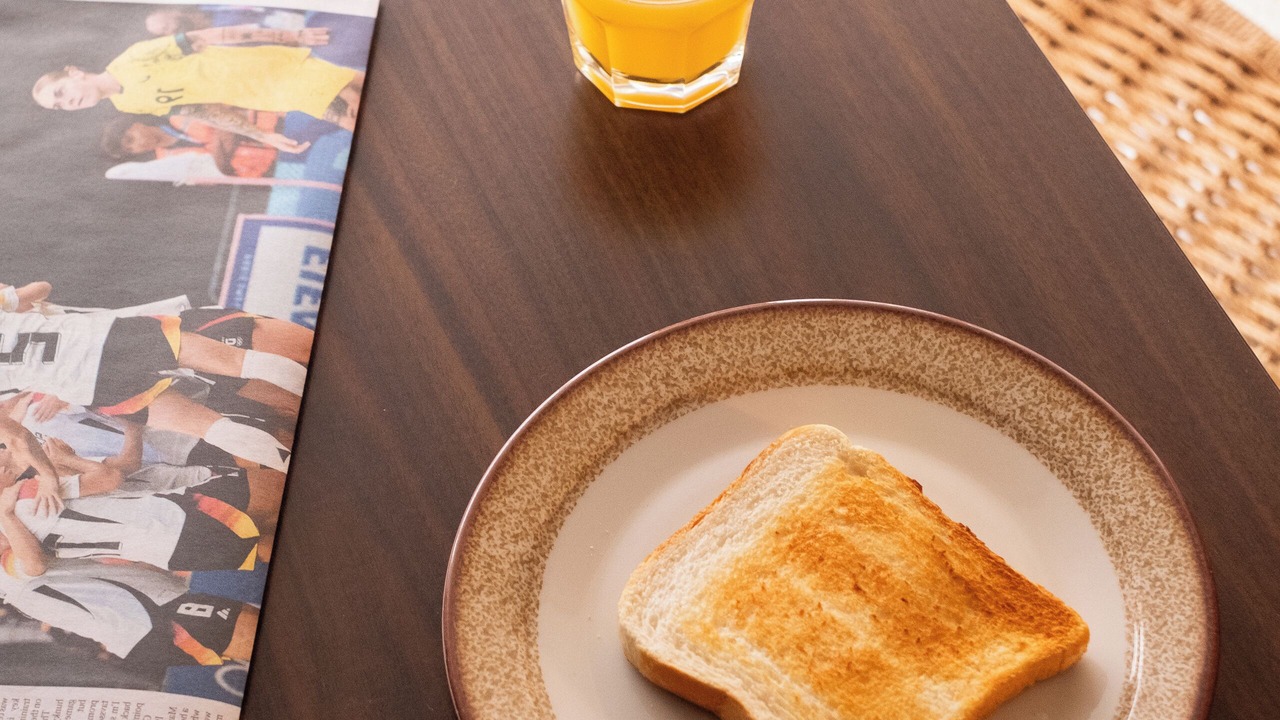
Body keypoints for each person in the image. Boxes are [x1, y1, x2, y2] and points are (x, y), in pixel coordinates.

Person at [0, 309, 301, 471]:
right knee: (241, 362)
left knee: (210, 428)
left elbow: (14, 432)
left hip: (89, 387)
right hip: (106, 337)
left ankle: (291, 468)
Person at [0, 511, 258, 667]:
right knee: (248, 631)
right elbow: (32, 564)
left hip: (151, 608)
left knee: (246, 621)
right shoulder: (8, 570)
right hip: (150, 619)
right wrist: (7, 514)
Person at [32, 25, 364, 140]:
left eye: (61, 92)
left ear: (74, 72)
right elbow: (200, 110)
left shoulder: (133, 57)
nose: (67, 103)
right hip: (264, 94)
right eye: (59, 106)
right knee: (360, 88)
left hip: (267, 68)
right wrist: (260, 134)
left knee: (351, 115)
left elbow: (208, 35)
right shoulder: (127, 104)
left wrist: (291, 35)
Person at [100, 113, 278, 178]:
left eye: (130, 139)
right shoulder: (166, 163)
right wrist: (219, 147)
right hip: (267, 168)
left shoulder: (178, 115)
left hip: (275, 128)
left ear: (136, 124)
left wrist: (218, 157)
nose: (138, 146)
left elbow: (225, 123)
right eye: (132, 150)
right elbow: (213, 173)